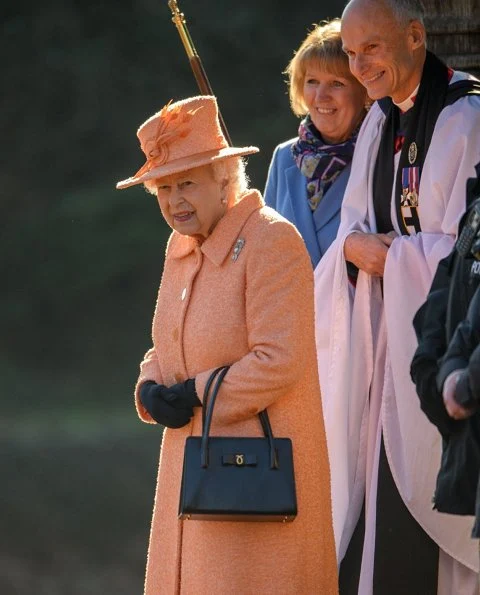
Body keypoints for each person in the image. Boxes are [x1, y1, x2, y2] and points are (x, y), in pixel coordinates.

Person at [116, 95, 338, 595]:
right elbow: (168, 344)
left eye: (187, 182)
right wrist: (150, 384)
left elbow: (279, 360)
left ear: (224, 177)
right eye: (164, 188)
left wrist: (195, 393)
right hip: (192, 468)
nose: (175, 201)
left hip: (254, 476)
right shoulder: (180, 248)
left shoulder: (270, 240)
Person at [312, 0, 480, 592]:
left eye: (371, 49)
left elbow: (470, 249)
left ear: (415, 35)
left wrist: (394, 257)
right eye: (351, 52)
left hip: (444, 355)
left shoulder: (468, 117)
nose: (358, 67)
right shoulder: (380, 121)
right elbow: (353, 233)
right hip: (382, 349)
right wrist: (360, 253)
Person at [264, 19, 368, 268]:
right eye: (312, 81)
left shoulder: (380, 155)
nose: (321, 97)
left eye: (337, 83)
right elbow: (264, 253)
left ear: (365, 91)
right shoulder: (283, 158)